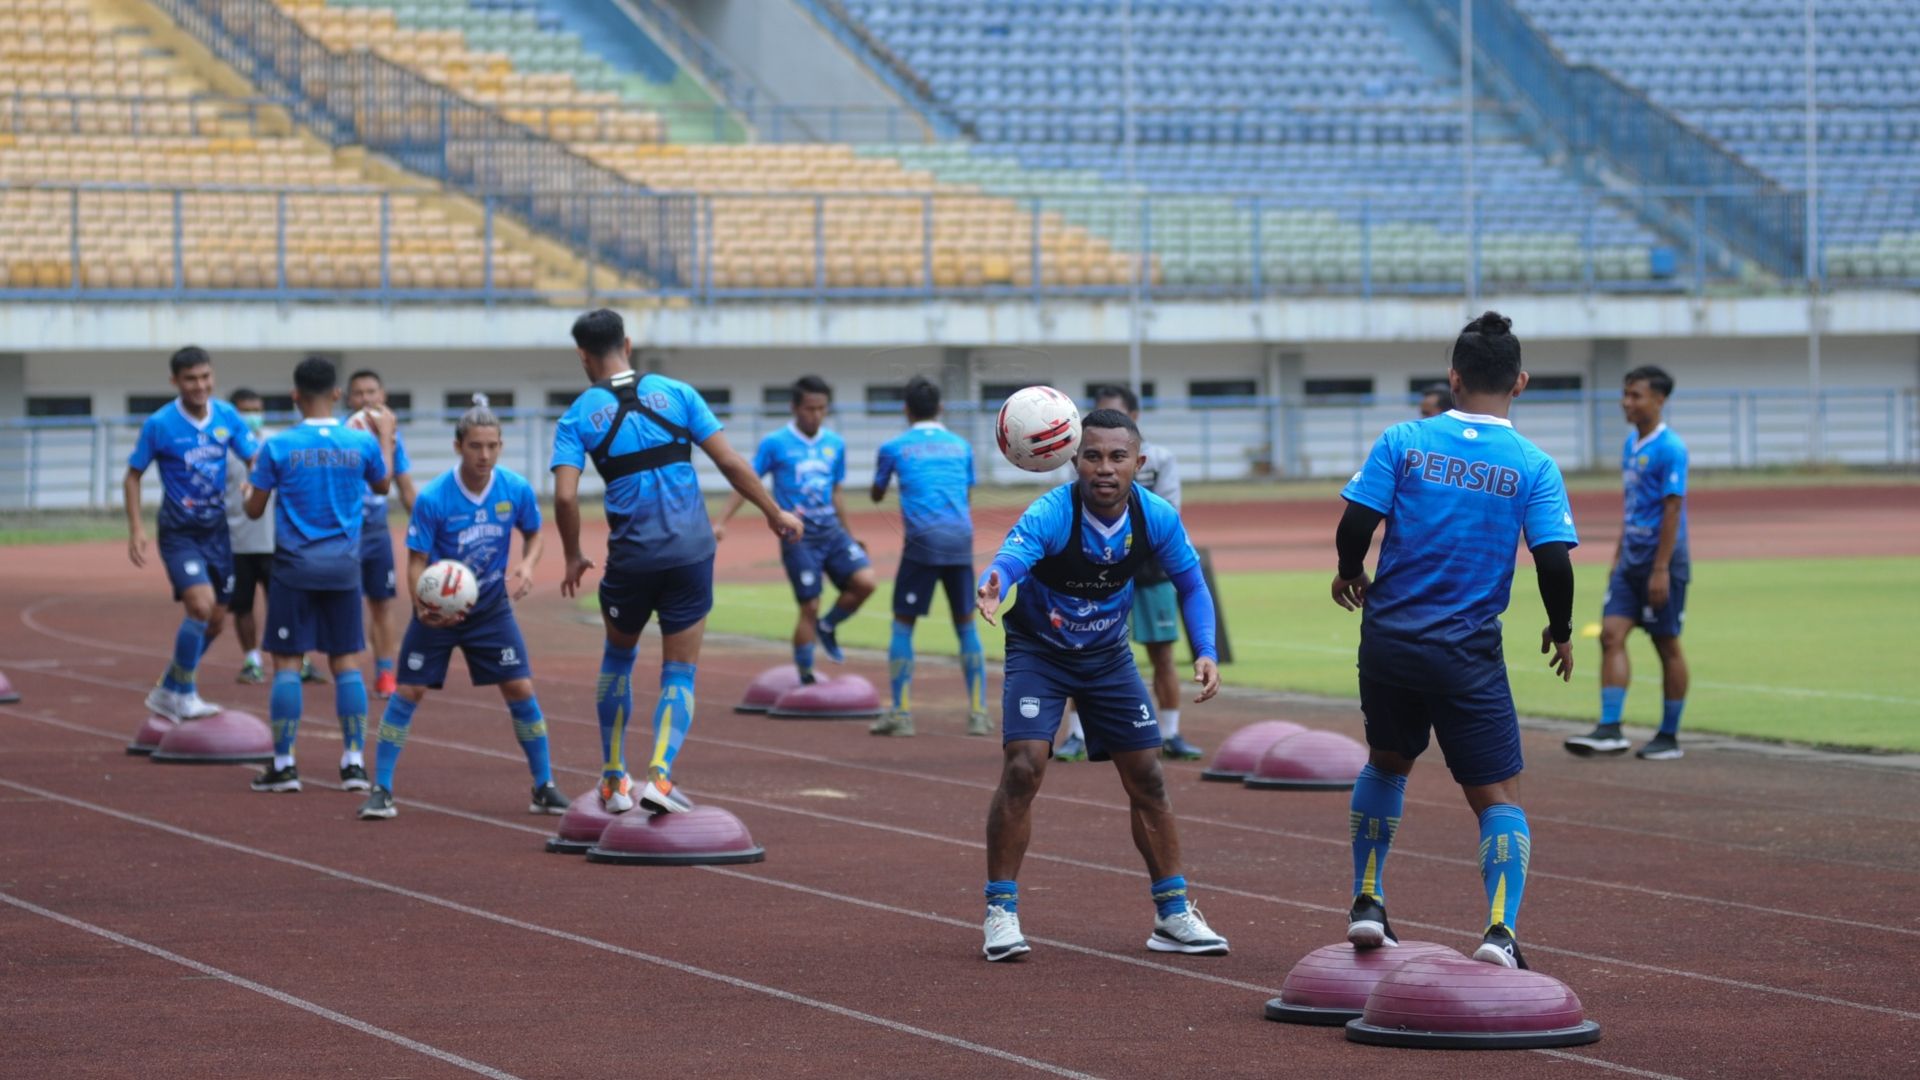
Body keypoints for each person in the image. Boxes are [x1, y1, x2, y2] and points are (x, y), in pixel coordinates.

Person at [1330, 311, 1577, 970]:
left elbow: (1356, 522)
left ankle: (1367, 902)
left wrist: (1352, 572)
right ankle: (1499, 932)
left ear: (1453, 377)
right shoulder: (1533, 464)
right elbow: (1554, 561)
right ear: (1520, 381)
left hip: (1388, 640)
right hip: (1465, 651)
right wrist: (1561, 627)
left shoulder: (1403, 440)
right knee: (1498, 798)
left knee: (1386, 763)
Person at [973, 409, 1228, 962]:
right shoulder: (1050, 512)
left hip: (1108, 658)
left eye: (1118, 457)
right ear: (1073, 460)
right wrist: (994, 584)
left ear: (1139, 463)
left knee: (1149, 778)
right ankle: (1001, 910)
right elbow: (1010, 560)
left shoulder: (1154, 515)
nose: (1104, 468)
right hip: (1040, 653)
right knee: (1024, 766)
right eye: (1092, 456)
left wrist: (1205, 651)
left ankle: (1172, 912)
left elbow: (1192, 583)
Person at [552, 309, 802, 815]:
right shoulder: (679, 392)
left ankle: (613, 780)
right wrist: (774, 513)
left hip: (632, 559)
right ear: (627, 341)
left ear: (582, 355)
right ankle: (661, 778)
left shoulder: (576, 415)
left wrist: (574, 554)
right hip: (690, 553)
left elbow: (563, 498)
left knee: (618, 659)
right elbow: (730, 462)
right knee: (680, 671)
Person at [358, 396, 568, 820]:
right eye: (476, 446)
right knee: (408, 692)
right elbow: (416, 561)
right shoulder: (434, 497)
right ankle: (381, 789)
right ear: (459, 446)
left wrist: (527, 565)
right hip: (437, 612)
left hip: (490, 608)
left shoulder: (515, 489)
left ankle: (544, 786)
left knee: (521, 689)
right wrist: (424, 606)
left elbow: (534, 533)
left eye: (492, 446)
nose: (484, 455)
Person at [243, 356, 394, 793]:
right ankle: (352, 763)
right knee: (346, 663)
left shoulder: (278, 446)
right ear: (337, 395)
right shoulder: (359, 443)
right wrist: (384, 436)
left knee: (287, 663)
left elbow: (254, 509)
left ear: (294, 396)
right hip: (345, 566)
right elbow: (383, 486)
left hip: (293, 568)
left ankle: (285, 763)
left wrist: (249, 489)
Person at [1057, 384, 1203, 762]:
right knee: (1080, 651)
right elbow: (1070, 505)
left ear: (1134, 419)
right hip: (1093, 569)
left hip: (1149, 569)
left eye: (1116, 414)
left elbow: (1169, 508)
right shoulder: (1080, 457)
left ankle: (1169, 733)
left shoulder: (1162, 459)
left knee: (1162, 654)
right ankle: (1077, 734)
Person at [124, 347, 260, 722]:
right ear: (175, 382)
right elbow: (133, 476)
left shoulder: (228, 416)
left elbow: (253, 457)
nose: (199, 386)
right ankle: (183, 692)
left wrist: (253, 482)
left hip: (217, 532)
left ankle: (170, 684)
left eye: (205, 377)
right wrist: (136, 528)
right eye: (190, 379)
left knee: (217, 619)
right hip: (179, 532)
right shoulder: (160, 424)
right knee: (199, 606)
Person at [1566, 366, 1690, 761]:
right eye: (1625, 394)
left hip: (1661, 563)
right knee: (1610, 635)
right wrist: (1618, 558)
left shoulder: (1671, 448)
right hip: (1630, 562)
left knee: (1665, 643)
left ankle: (1669, 736)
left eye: (1636, 395)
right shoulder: (1630, 444)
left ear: (1659, 400)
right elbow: (1633, 507)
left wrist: (1660, 568)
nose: (1627, 402)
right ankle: (1610, 728)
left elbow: (1672, 511)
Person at [718, 375, 877, 684]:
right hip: (798, 537)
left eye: (822, 409)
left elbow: (837, 492)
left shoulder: (835, 443)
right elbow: (745, 482)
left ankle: (828, 626)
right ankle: (806, 675)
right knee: (810, 604)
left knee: (866, 582)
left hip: (832, 532)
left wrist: (850, 532)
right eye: (809, 409)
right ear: (794, 408)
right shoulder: (775, 443)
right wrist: (722, 521)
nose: (816, 415)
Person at [867, 375, 989, 737]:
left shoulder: (893, 447)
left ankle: (901, 714)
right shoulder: (963, 447)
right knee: (965, 624)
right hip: (960, 541)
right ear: (941, 408)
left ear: (905, 409)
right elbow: (966, 496)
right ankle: (979, 714)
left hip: (920, 543)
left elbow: (876, 493)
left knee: (903, 623)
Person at [225, 389, 324, 687]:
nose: (251, 415)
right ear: (234, 414)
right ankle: (251, 660)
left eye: (256, 408)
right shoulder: (222, 446)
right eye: (244, 410)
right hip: (237, 540)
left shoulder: (277, 443)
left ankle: (300, 658)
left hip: (276, 540)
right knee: (242, 605)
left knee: (284, 603)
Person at [346, 369, 416, 699]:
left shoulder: (394, 440)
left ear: (383, 396)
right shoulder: (342, 436)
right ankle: (343, 668)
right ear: (349, 400)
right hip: (342, 533)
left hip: (375, 532)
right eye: (359, 394)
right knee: (342, 603)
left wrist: (429, 528)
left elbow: (404, 488)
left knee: (382, 604)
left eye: (372, 392)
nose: (366, 400)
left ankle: (385, 672)